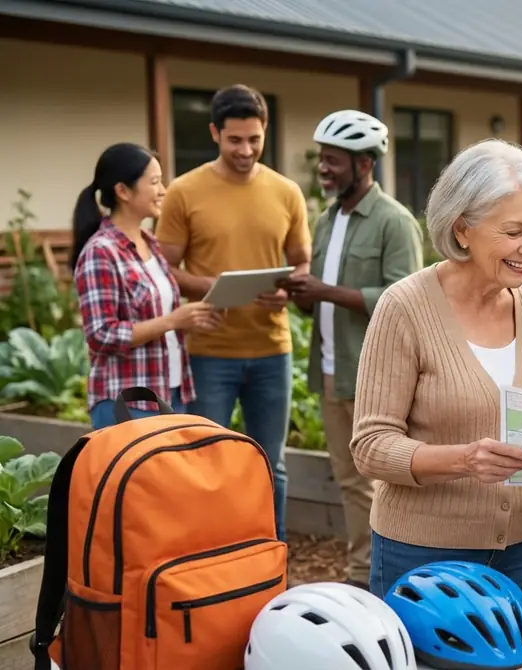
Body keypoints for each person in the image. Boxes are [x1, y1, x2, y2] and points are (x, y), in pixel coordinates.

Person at [349, 139, 522, 608]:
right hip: (422, 554)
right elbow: (370, 447)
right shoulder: (404, 307)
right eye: (514, 232)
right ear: (463, 229)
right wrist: (465, 460)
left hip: (521, 550)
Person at [156, 84, 312, 542]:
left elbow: (301, 260)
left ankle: (269, 549)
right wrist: (211, 288)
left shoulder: (286, 192)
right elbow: (164, 265)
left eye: (255, 140)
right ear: (214, 133)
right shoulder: (185, 191)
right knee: (205, 459)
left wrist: (287, 290)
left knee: (271, 462)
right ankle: (209, 552)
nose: (245, 151)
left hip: (271, 349)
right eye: (234, 140)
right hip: (208, 352)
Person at [278, 110, 424, 589]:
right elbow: (322, 297)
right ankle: (364, 573)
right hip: (329, 372)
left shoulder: (394, 222)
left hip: (374, 376)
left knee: (376, 483)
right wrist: (299, 295)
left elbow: (404, 300)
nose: (323, 168)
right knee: (350, 483)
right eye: (321, 159)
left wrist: (323, 291)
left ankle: (375, 578)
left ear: (365, 164)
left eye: (333, 160)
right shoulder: (325, 220)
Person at [71, 143, 221, 429]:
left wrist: (190, 319)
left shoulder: (150, 244)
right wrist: (171, 320)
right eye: (154, 182)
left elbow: (156, 318)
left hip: (171, 394)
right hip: (128, 404)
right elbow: (101, 335)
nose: (163, 190)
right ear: (123, 191)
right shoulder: (101, 251)